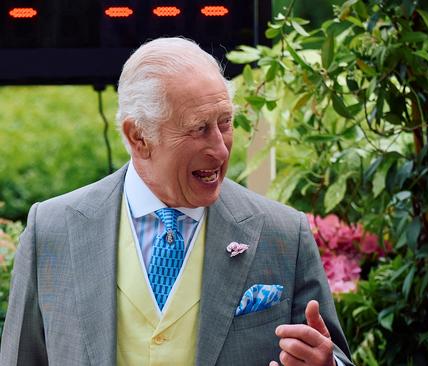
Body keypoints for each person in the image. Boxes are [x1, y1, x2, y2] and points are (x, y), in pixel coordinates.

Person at [0, 37, 353, 366]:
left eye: (225, 122)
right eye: (199, 128)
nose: (220, 148)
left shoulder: (283, 233)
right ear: (139, 137)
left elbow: (332, 352)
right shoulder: (52, 228)